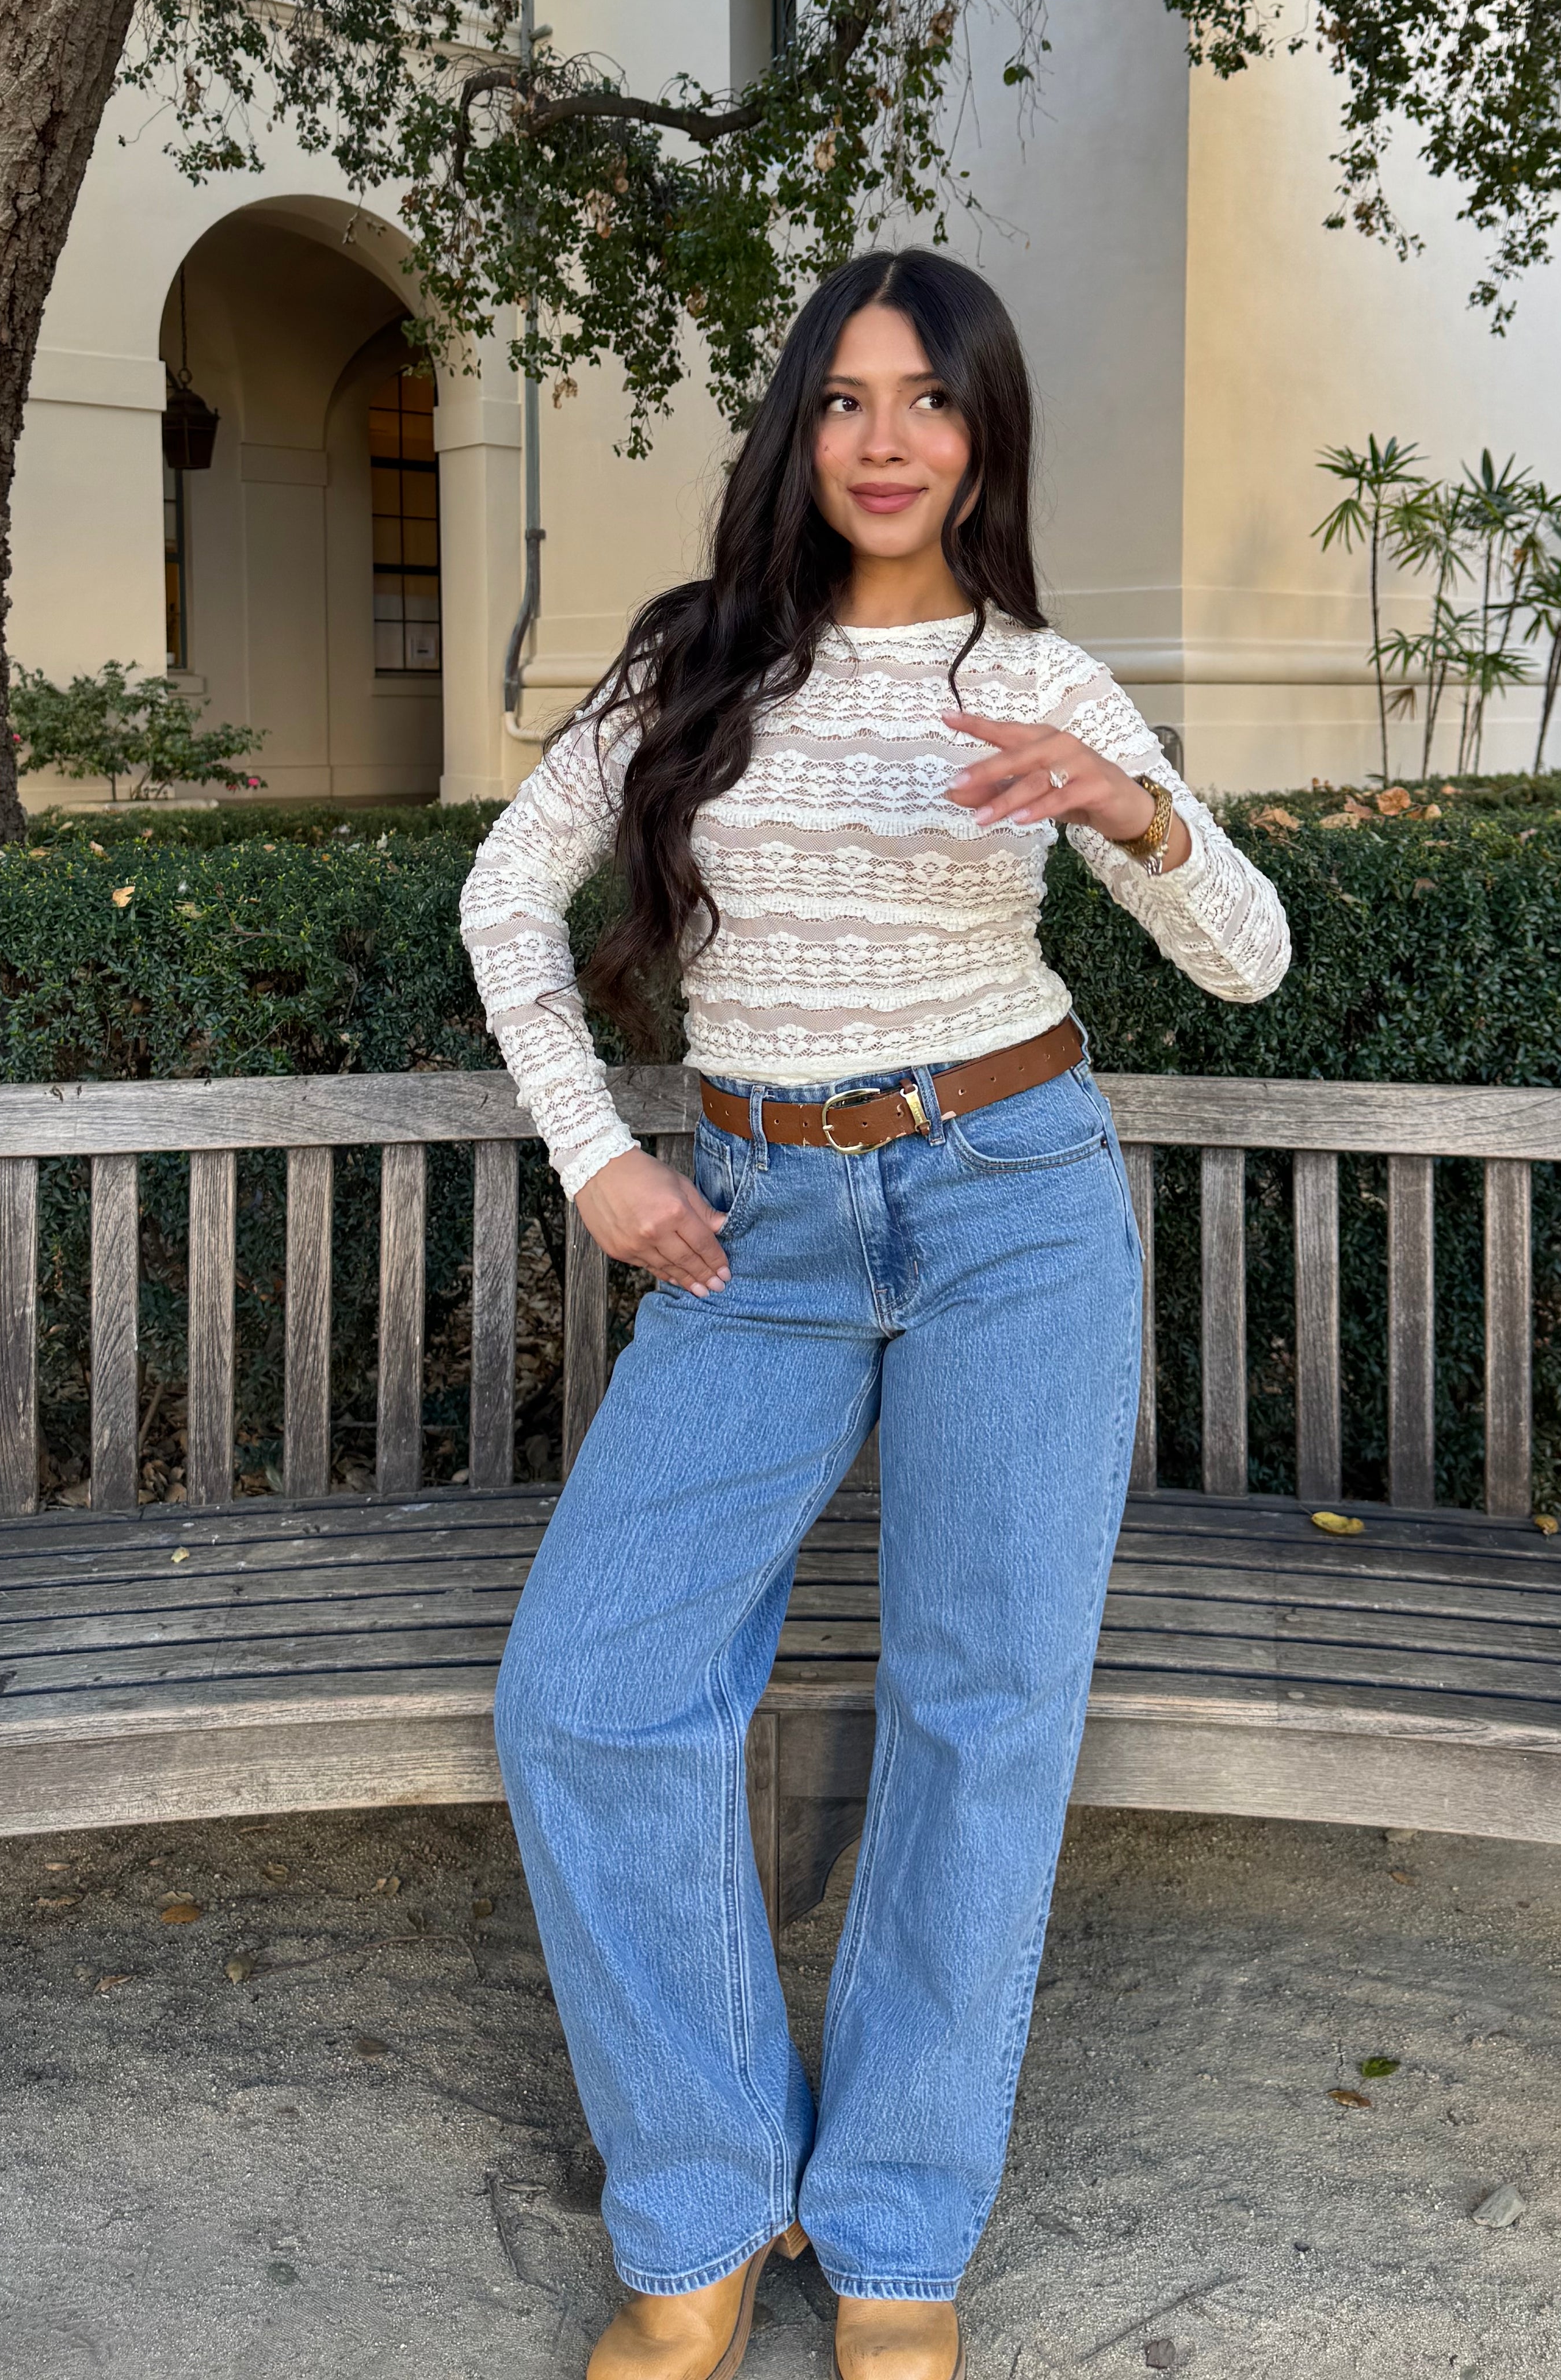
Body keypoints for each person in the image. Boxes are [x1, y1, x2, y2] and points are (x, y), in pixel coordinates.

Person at [461, 249, 1292, 2380]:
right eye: (844, 399)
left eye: (927, 398)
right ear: (796, 434)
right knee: (590, 1680)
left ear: (986, 430)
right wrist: (595, 1153)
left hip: (1012, 1203)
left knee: (979, 1707)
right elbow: (503, 894)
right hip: (753, 1227)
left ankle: (901, 2232)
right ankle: (706, 2198)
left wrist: (1133, 808)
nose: (887, 438)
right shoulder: (695, 666)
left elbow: (1248, 957)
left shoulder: (1049, 685)